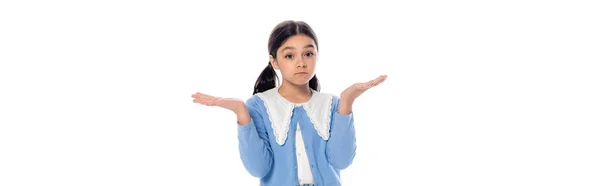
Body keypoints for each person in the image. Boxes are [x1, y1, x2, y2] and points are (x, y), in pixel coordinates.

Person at [191, 20, 387, 186]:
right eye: (289, 56)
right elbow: (258, 168)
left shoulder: (331, 104)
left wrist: (347, 102)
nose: (301, 62)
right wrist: (242, 113)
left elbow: (341, 160)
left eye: (308, 54)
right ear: (274, 61)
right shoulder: (259, 105)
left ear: (317, 56)